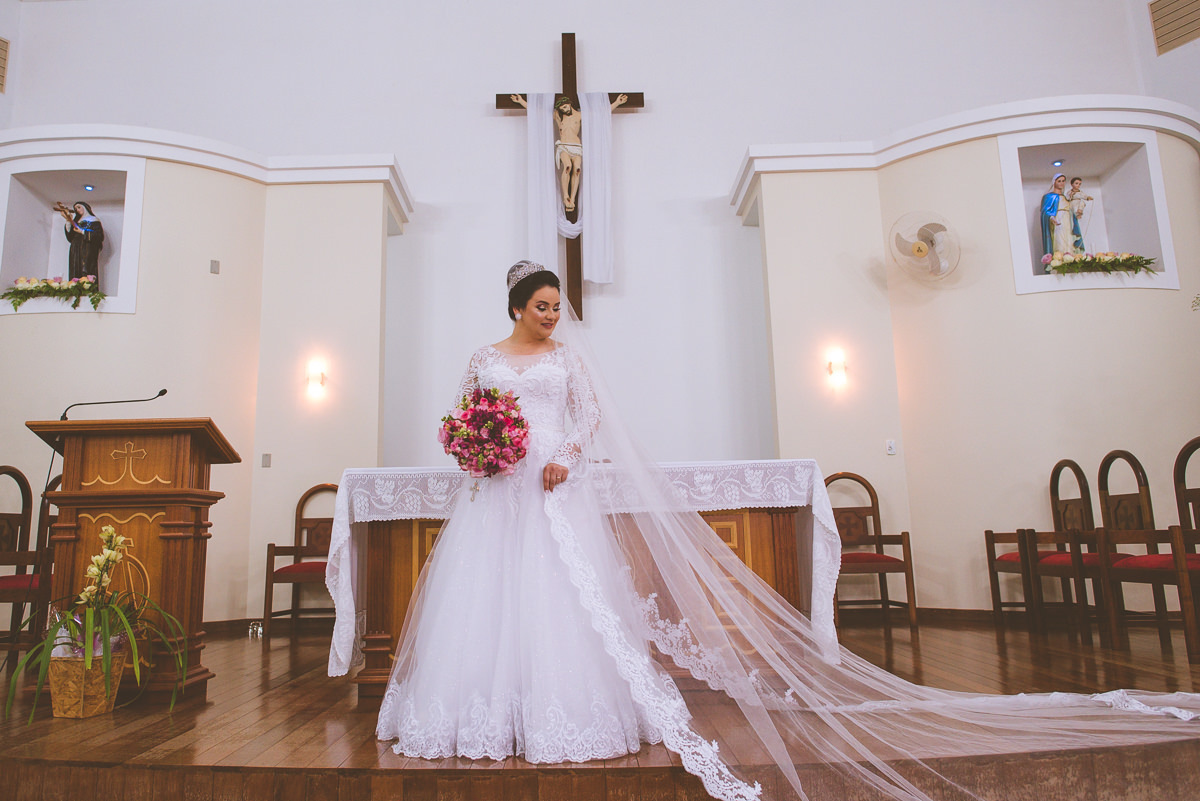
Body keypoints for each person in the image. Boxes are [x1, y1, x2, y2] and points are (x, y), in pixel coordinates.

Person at [375, 261, 1200, 801]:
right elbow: (464, 417)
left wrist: (568, 458)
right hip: (498, 493)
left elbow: (588, 421)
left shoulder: (571, 361)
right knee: (488, 608)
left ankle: (565, 714)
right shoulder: (485, 354)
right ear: (516, 305)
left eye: (559, 306)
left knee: (562, 606)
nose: (554, 317)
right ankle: (482, 714)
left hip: (554, 487)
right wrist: (479, 448)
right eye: (542, 306)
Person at [58, 200, 104, 282]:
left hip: (87, 248)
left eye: (79, 207)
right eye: (75, 209)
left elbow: (99, 236)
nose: (77, 210)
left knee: (86, 268)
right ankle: (75, 287)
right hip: (75, 248)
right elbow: (70, 237)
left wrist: (83, 232)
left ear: (85, 208)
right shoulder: (76, 221)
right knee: (75, 267)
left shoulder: (93, 220)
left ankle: (87, 287)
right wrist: (68, 220)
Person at [1040, 174, 1072, 260]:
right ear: (1054, 182)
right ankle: (1059, 259)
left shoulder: (1066, 198)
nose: (1061, 183)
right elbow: (1045, 212)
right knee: (1059, 241)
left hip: (1067, 222)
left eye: (1063, 181)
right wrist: (1051, 218)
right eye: (1059, 181)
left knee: (1069, 240)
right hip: (1057, 221)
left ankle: (1069, 258)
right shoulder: (1049, 197)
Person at [1065, 177, 1091, 254]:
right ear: (1072, 184)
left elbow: (1084, 196)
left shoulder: (1080, 193)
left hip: (1077, 204)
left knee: (1082, 203)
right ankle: (1075, 214)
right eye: (1076, 183)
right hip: (1071, 205)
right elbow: (1066, 198)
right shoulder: (1069, 192)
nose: (1078, 185)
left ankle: (1079, 213)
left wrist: (1088, 197)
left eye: (1079, 184)